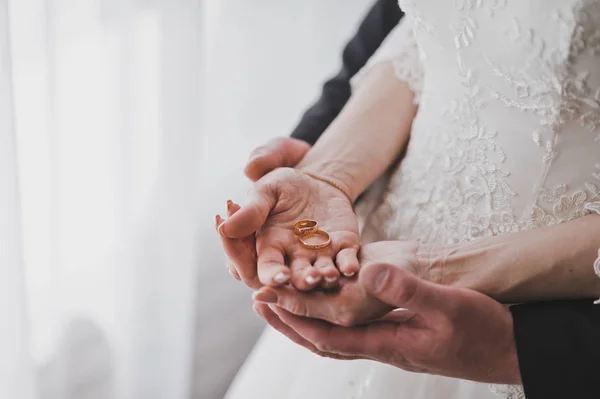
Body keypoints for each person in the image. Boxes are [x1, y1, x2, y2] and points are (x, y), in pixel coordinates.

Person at [219, 0, 600, 398]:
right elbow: (424, 39)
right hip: (379, 230)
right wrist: (325, 173)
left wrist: (437, 270)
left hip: (543, 325)